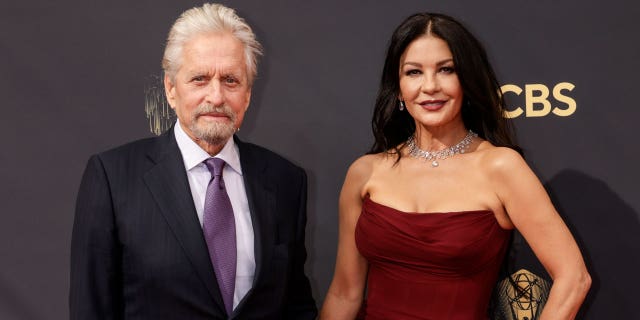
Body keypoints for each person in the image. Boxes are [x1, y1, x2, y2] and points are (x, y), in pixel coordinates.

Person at [320, 12, 590, 319]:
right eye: (414, 72)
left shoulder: (500, 168)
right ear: (397, 87)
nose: (430, 86)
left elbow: (573, 279)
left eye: (446, 70)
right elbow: (344, 294)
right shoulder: (365, 173)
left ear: (467, 79)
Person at [70, 3, 317, 319]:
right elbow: (91, 309)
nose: (216, 96)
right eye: (200, 79)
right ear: (170, 90)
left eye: (230, 80)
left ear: (248, 94)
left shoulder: (286, 181)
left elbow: (296, 306)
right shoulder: (113, 178)